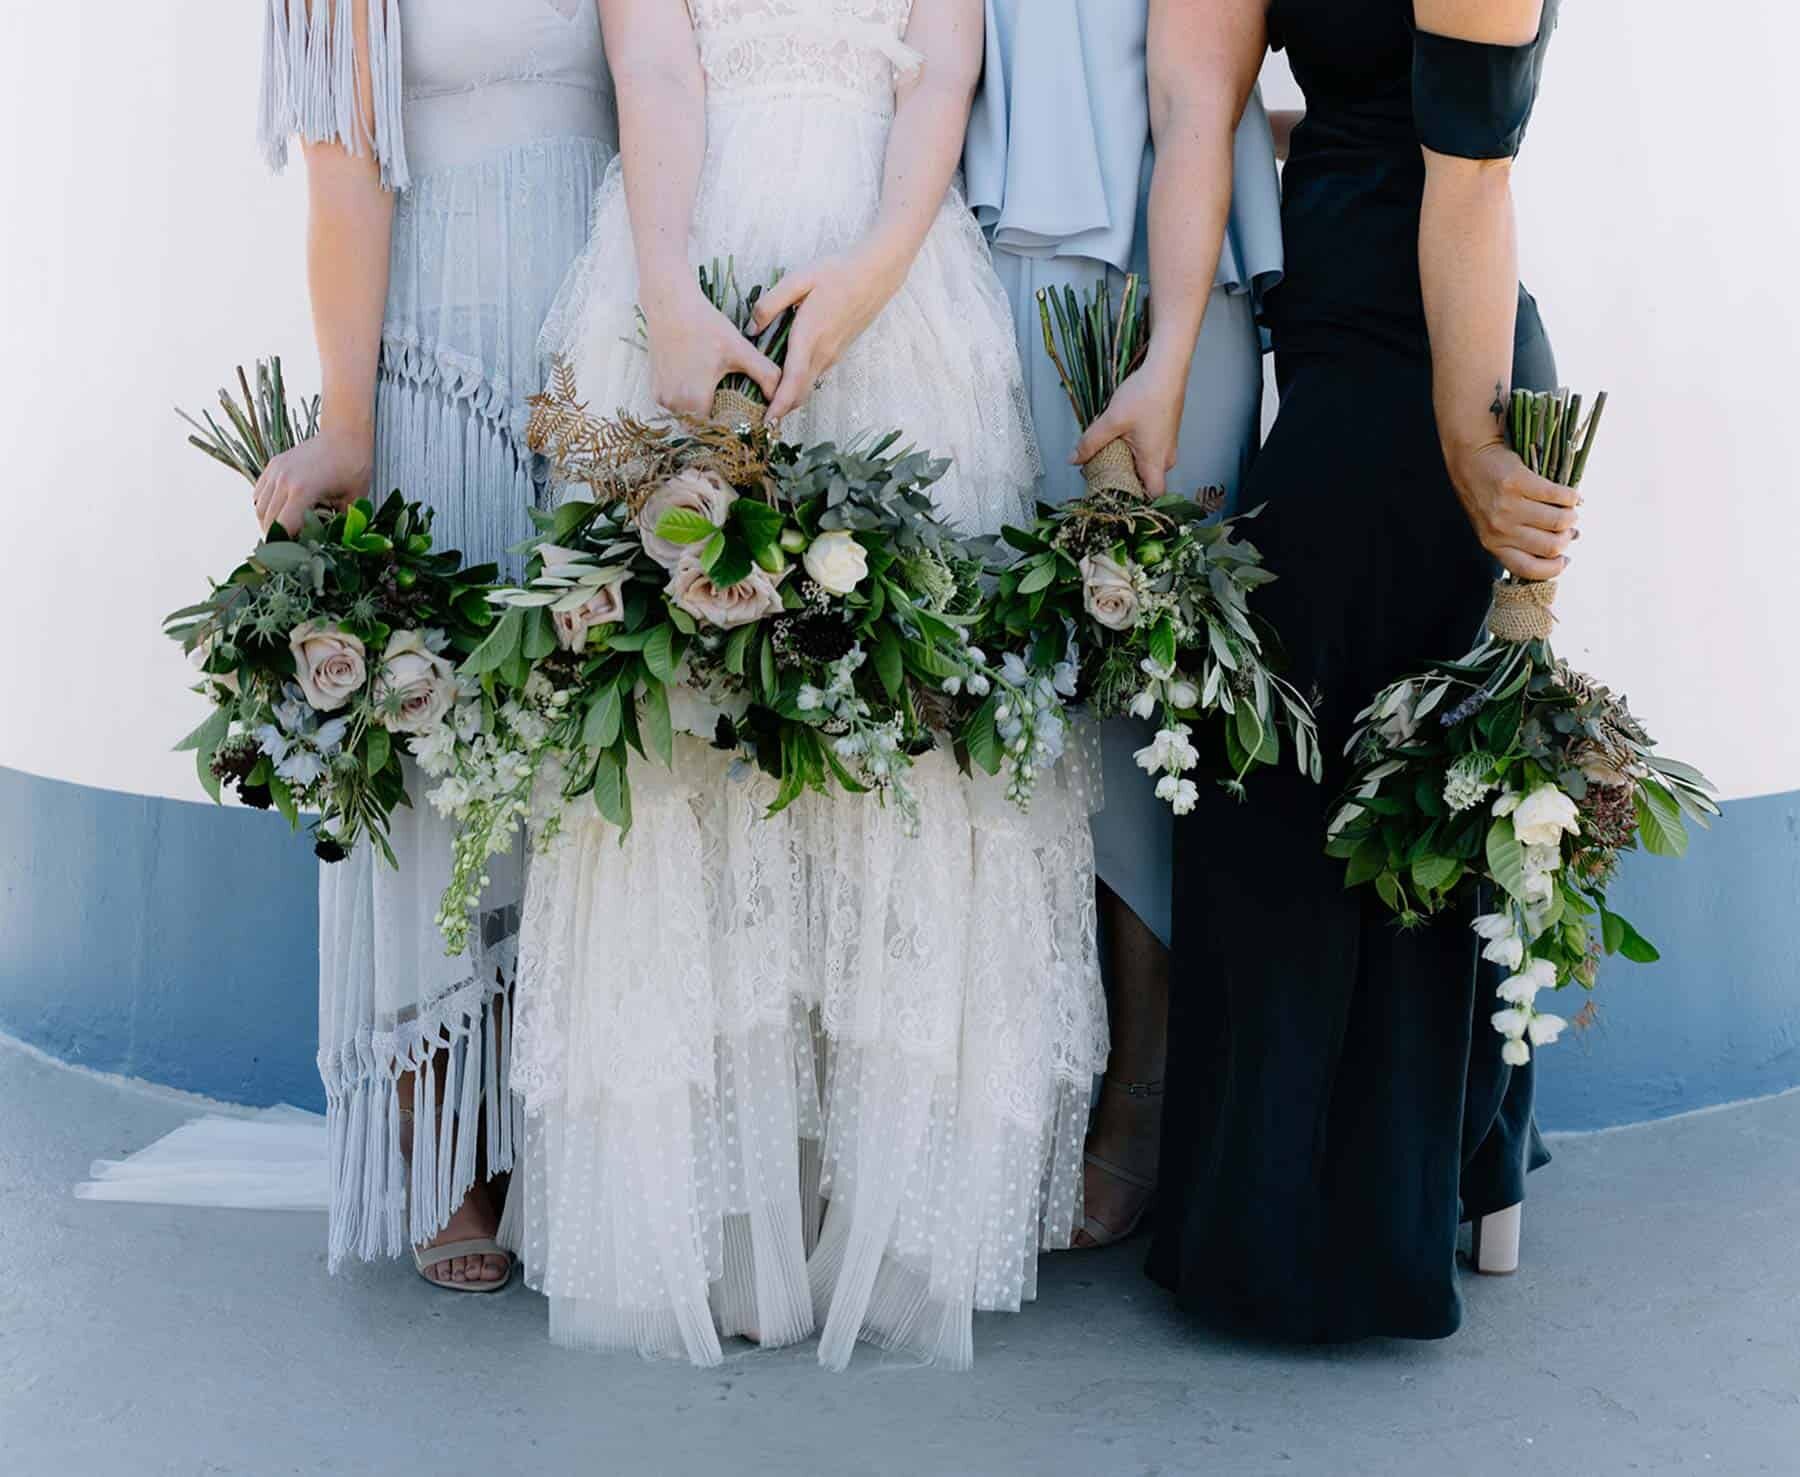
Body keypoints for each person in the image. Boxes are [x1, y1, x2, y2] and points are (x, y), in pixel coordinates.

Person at [500, 0, 1108, 1370]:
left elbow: (943, 74)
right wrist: (666, 289)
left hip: (893, 285)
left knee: (896, 728)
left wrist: (874, 270)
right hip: (696, 245)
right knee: (687, 734)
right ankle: (719, 1218)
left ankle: (870, 1214)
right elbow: (651, 62)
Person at [1113, 0, 1569, 1340]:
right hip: (1323, 338)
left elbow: (1472, 170)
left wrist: (1472, 445)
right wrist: (1166, 361)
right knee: (1281, 774)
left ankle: (1335, 1229)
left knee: (1336, 784)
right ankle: (1366, 1185)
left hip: (1447, 355)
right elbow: (1199, 101)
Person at [254, 0, 616, 1289]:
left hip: (596, 366)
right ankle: (443, 1135)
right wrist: (347, 422)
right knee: (444, 754)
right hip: (443, 364)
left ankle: (555, 1121)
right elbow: (344, 170)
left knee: (585, 753)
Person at [963, 0, 1282, 1247]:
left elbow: (1198, 92)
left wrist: (1172, 346)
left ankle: (1145, 1095)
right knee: (1024, 693)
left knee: (1151, 696)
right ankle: (1039, 1092)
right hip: (985, 271)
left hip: (1170, 276)